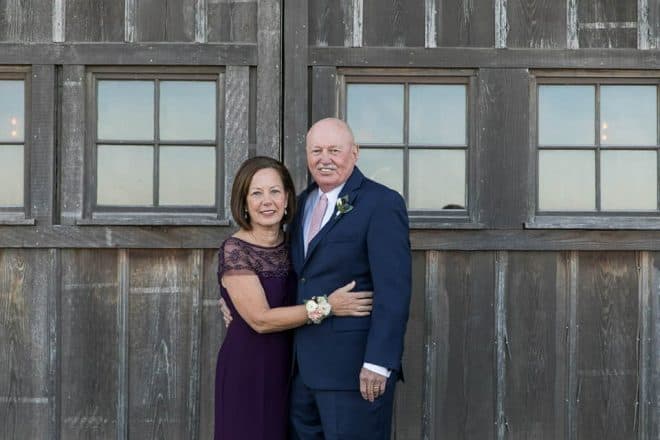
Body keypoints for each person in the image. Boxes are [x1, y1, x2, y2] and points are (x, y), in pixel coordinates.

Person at [214, 156, 374, 440]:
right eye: (257, 193)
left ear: (287, 198)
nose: (267, 201)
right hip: (248, 367)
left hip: (290, 367)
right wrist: (329, 306)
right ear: (244, 202)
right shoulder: (235, 249)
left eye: (275, 191)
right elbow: (261, 320)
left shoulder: (296, 244)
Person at [288, 118, 412, 439]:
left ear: (354, 153)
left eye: (334, 150)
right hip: (301, 372)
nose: (324, 158)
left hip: (353, 373)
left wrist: (378, 363)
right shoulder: (302, 203)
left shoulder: (381, 203)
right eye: (316, 150)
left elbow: (393, 291)